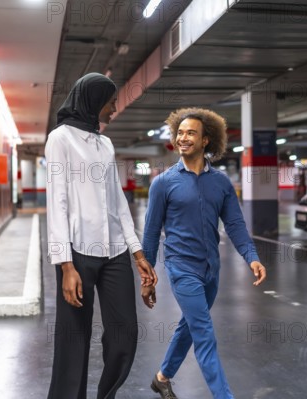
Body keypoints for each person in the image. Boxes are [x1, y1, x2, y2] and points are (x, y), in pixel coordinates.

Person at [45, 73, 158, 399]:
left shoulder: (105, 143)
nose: (113, 110)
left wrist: (137, 254)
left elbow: (117, 202)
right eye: (111, 103)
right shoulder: (60, 139)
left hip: (115, 253)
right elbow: (58, 204)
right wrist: (65, 266)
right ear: (94, 102)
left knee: (125, 334)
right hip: (76, 255)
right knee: (73, 339)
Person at [142, 107, 267, 399]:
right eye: (180, 133)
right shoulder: (163, 183)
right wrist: (146, 276)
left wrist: (252, 257)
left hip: (211, 269)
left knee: (190, 324)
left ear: (206, 140)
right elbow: (149, 233)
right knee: (204, 333)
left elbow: (235, 224)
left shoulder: (221, 182)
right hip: (181, 267)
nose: (182, 138)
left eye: (190, 133)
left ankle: (162, 378)